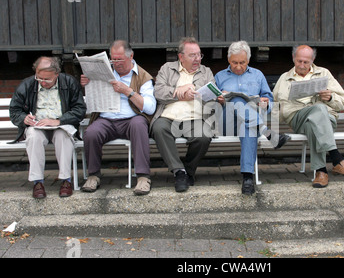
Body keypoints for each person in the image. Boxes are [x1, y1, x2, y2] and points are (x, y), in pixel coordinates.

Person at [273, 45, 344, 188]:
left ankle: (321, 172)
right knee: (317, 111)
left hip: (326, 118)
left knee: (314, 120)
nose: (302, 65)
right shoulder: (284, 78)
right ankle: (337, 158)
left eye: (306, 62)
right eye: (299, 61)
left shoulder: (324, 73)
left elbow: (341, 103)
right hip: (298, 118)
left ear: (313, 60)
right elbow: (277, 109)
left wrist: (330, 97)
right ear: (293, 58)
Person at [80, 40, 157, 195]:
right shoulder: (103, 72)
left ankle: (143, 177)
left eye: (120, 59)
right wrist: (88, 83)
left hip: (131, 119)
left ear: (131, 56)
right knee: (91, 132)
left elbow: (150, 108)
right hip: (106, 119)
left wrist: (128, 92)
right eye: (113, 59)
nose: (116, 63)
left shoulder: (143, 76)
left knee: (139, 125)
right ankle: (93, 175)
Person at [215, 40, 290, 195]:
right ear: (229, 60)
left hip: (249, 123)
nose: (238, 66)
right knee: (235, 100)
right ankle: (268, 134)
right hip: (226, 123)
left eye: (242, 62)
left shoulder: (257, 75)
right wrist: (219, 101)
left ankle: (247, 178)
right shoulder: (220, 77)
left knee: (248, 126)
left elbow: (269, 101)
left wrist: (265, 103)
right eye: (234, 62)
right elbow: (210, 105)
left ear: (248, 60)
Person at [9, 56, 87, 199]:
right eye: (40, 78)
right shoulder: (27, 84)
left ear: (57, 74)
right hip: (37, 125)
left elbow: (79, 110)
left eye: (47, 79)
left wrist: (59, 121)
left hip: (60, 124)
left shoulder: (69, 82)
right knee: (32, 136)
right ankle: (37, 182)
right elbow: (15, 111)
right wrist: (24, 118)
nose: (43, 82)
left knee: (63, 136)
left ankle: (65, 180)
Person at [151, 37, 214, 193]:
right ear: (181, 57)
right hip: (168, 116)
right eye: (192, 55)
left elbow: (211, 96)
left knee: (204, 136)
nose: (197, 59)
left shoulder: (206, 72)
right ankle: (179, 171)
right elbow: (158, 92)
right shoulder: (167, 68)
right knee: (158, 129)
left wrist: (195, 91)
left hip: (195, 118)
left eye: (199, 55)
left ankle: (188, 170)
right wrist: (177, 92)